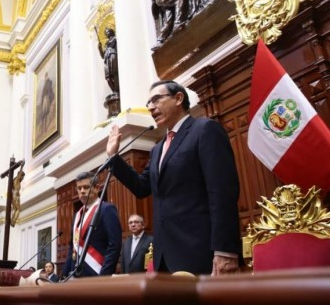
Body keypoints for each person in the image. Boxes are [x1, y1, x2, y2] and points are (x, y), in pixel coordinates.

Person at [107, 80, 241, 275]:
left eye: (156, 99)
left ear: (179, 98)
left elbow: (222, 193)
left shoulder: (204, 130)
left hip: (201, 252)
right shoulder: (157, 149)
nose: (151, 107)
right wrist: (113, 157)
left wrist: (225, 250)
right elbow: (141, 187)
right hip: (165, 256)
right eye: (148, 104)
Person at [62, 172, 122, 278]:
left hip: (97, 273)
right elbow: (73, 247)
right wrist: (64, 275)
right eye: (79, 188)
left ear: (97, 188)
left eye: (86, 187)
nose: (82, 191)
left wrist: (104, 275)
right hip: (75, 274)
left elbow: (114, 244)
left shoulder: (106, 209)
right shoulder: (77, 215)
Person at [97, 27, 119, 94]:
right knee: (108, 77)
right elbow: (103, 56)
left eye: (108, 31)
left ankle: (117, 90)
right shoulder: (106, 43)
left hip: (113, 56)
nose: (107, 33)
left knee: (114, 73)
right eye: (106, 32)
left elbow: (115, 47)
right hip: (106, 59)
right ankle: (114, 91)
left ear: (112, 31)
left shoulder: (115, 39)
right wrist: (100, 48)